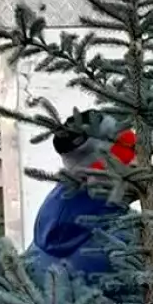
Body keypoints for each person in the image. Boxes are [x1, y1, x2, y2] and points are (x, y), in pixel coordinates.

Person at [24, 116, 138, 281]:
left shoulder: (52, 219)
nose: (139, 162)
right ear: (97, 172)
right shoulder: (121, 241)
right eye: (128, 153)